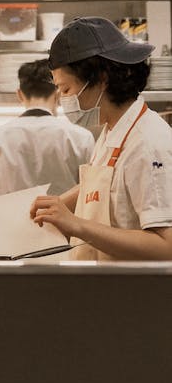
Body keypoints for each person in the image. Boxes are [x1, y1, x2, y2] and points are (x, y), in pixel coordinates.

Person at [31, 16, 172, 261]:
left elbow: (166, 246)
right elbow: (111, 181)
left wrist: (76, 225)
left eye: (66, 90)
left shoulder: (148, 145)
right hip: (108, 289)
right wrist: (59, 203)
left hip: (138, 295)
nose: (64, 101)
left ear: (101, 78)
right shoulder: (114, 129)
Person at [0, 58, 94, 197]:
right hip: (63, 218)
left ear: (19, 94)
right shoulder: (81, 137)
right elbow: (90, 191)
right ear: (58, 95)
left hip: (10, 218)